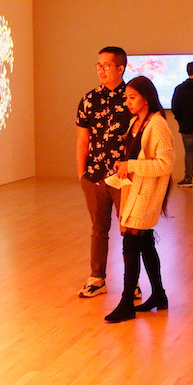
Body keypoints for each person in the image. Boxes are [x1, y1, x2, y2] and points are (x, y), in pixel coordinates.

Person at [105, 76, 175, 322]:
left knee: (132, 243)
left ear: (146, 98)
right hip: (133, 190)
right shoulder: (136, 121)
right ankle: (158, 295)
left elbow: (166, 164)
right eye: (126, 98)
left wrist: (131, 165)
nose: (128, 102)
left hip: (147, 192)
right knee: (143, 242)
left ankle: (126, 302)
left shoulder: (157, 125)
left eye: (132, 97)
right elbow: (135, 156)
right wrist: (123, 166)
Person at [75, 46, 134, 299]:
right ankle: (97, 278)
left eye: (106, 66)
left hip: (124, 177)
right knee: (98, 229)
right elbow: (82, 140)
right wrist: (82, 175)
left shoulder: (133, 99)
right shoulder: (89, 99)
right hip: (94, 176)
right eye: (98, 65)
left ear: (121, 68)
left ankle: (131, 283)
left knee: (130, 231)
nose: (101, 70)